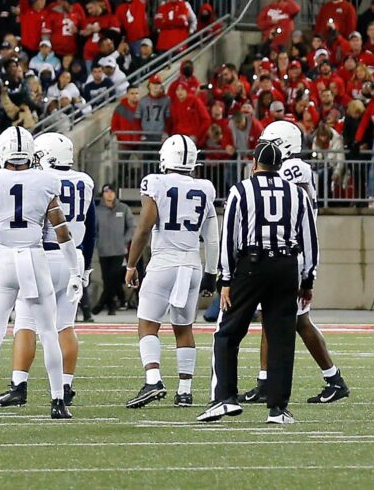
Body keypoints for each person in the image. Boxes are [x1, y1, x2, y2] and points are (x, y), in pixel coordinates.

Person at [201, 124, 319, 425]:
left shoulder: (241, 190)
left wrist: (225, 279)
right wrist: (307, 279)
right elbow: (309, 238)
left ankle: (224, 398)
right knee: (281, 338)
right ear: (279, 165)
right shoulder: (296, 193)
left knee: (227, 332)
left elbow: (230, 236)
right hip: (286, 266)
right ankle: (278, 409)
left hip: (251, 266)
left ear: (254, 163)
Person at [0, 124, 72, 420]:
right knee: (49, 332)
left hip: (3, 260)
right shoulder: (47, 179)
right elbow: (61, 232)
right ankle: (57, 402)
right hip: (35, 257)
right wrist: (75, 269)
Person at [249, 121, 351, 404]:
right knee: (273, 318)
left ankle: (334, 379)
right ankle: (265, 382)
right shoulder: (289, 168)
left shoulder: (295, 168)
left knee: (298, 321)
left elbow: (284, 210)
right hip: (283, 253)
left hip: (292, 254)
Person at [2, 130, 92, 404]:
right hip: (73, 257)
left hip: (44, 254)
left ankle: (19, 386)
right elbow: (92, 227)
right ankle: (65, 387)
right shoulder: (84, 181)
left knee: (25, 323)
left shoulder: (40, 179)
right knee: (65, 325)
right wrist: (84, 268)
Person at [127, 133, 215, 407]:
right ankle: (185, 391)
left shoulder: (156, 182)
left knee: (147, 324)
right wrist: (211, 274)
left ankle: (153, 380)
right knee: (184, 327)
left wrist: (131, 264)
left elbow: (144, 228)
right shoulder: (205, 187)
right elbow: (212, 237)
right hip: (192, 265)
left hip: (165, 261)